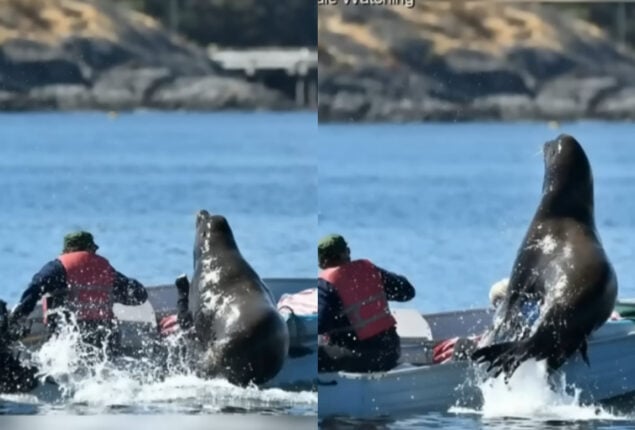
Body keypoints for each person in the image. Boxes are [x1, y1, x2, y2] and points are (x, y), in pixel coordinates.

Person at [10, 231, 148, 358]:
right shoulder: (106, 269)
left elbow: (34, 289)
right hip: (105, 337)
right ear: (90, 248)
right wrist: (113, 296)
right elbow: (139, 295)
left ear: (66, 250)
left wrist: (18, 317)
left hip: (68, 337)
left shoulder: (58, 268)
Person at [318, 234, 415, 373]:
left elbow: (320, 324)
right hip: (390, 352)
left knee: (316, 353)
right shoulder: (369, 269)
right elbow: (407, 291)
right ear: (347, 253)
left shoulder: (326, 284)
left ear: (322, 263)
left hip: (359, 358)